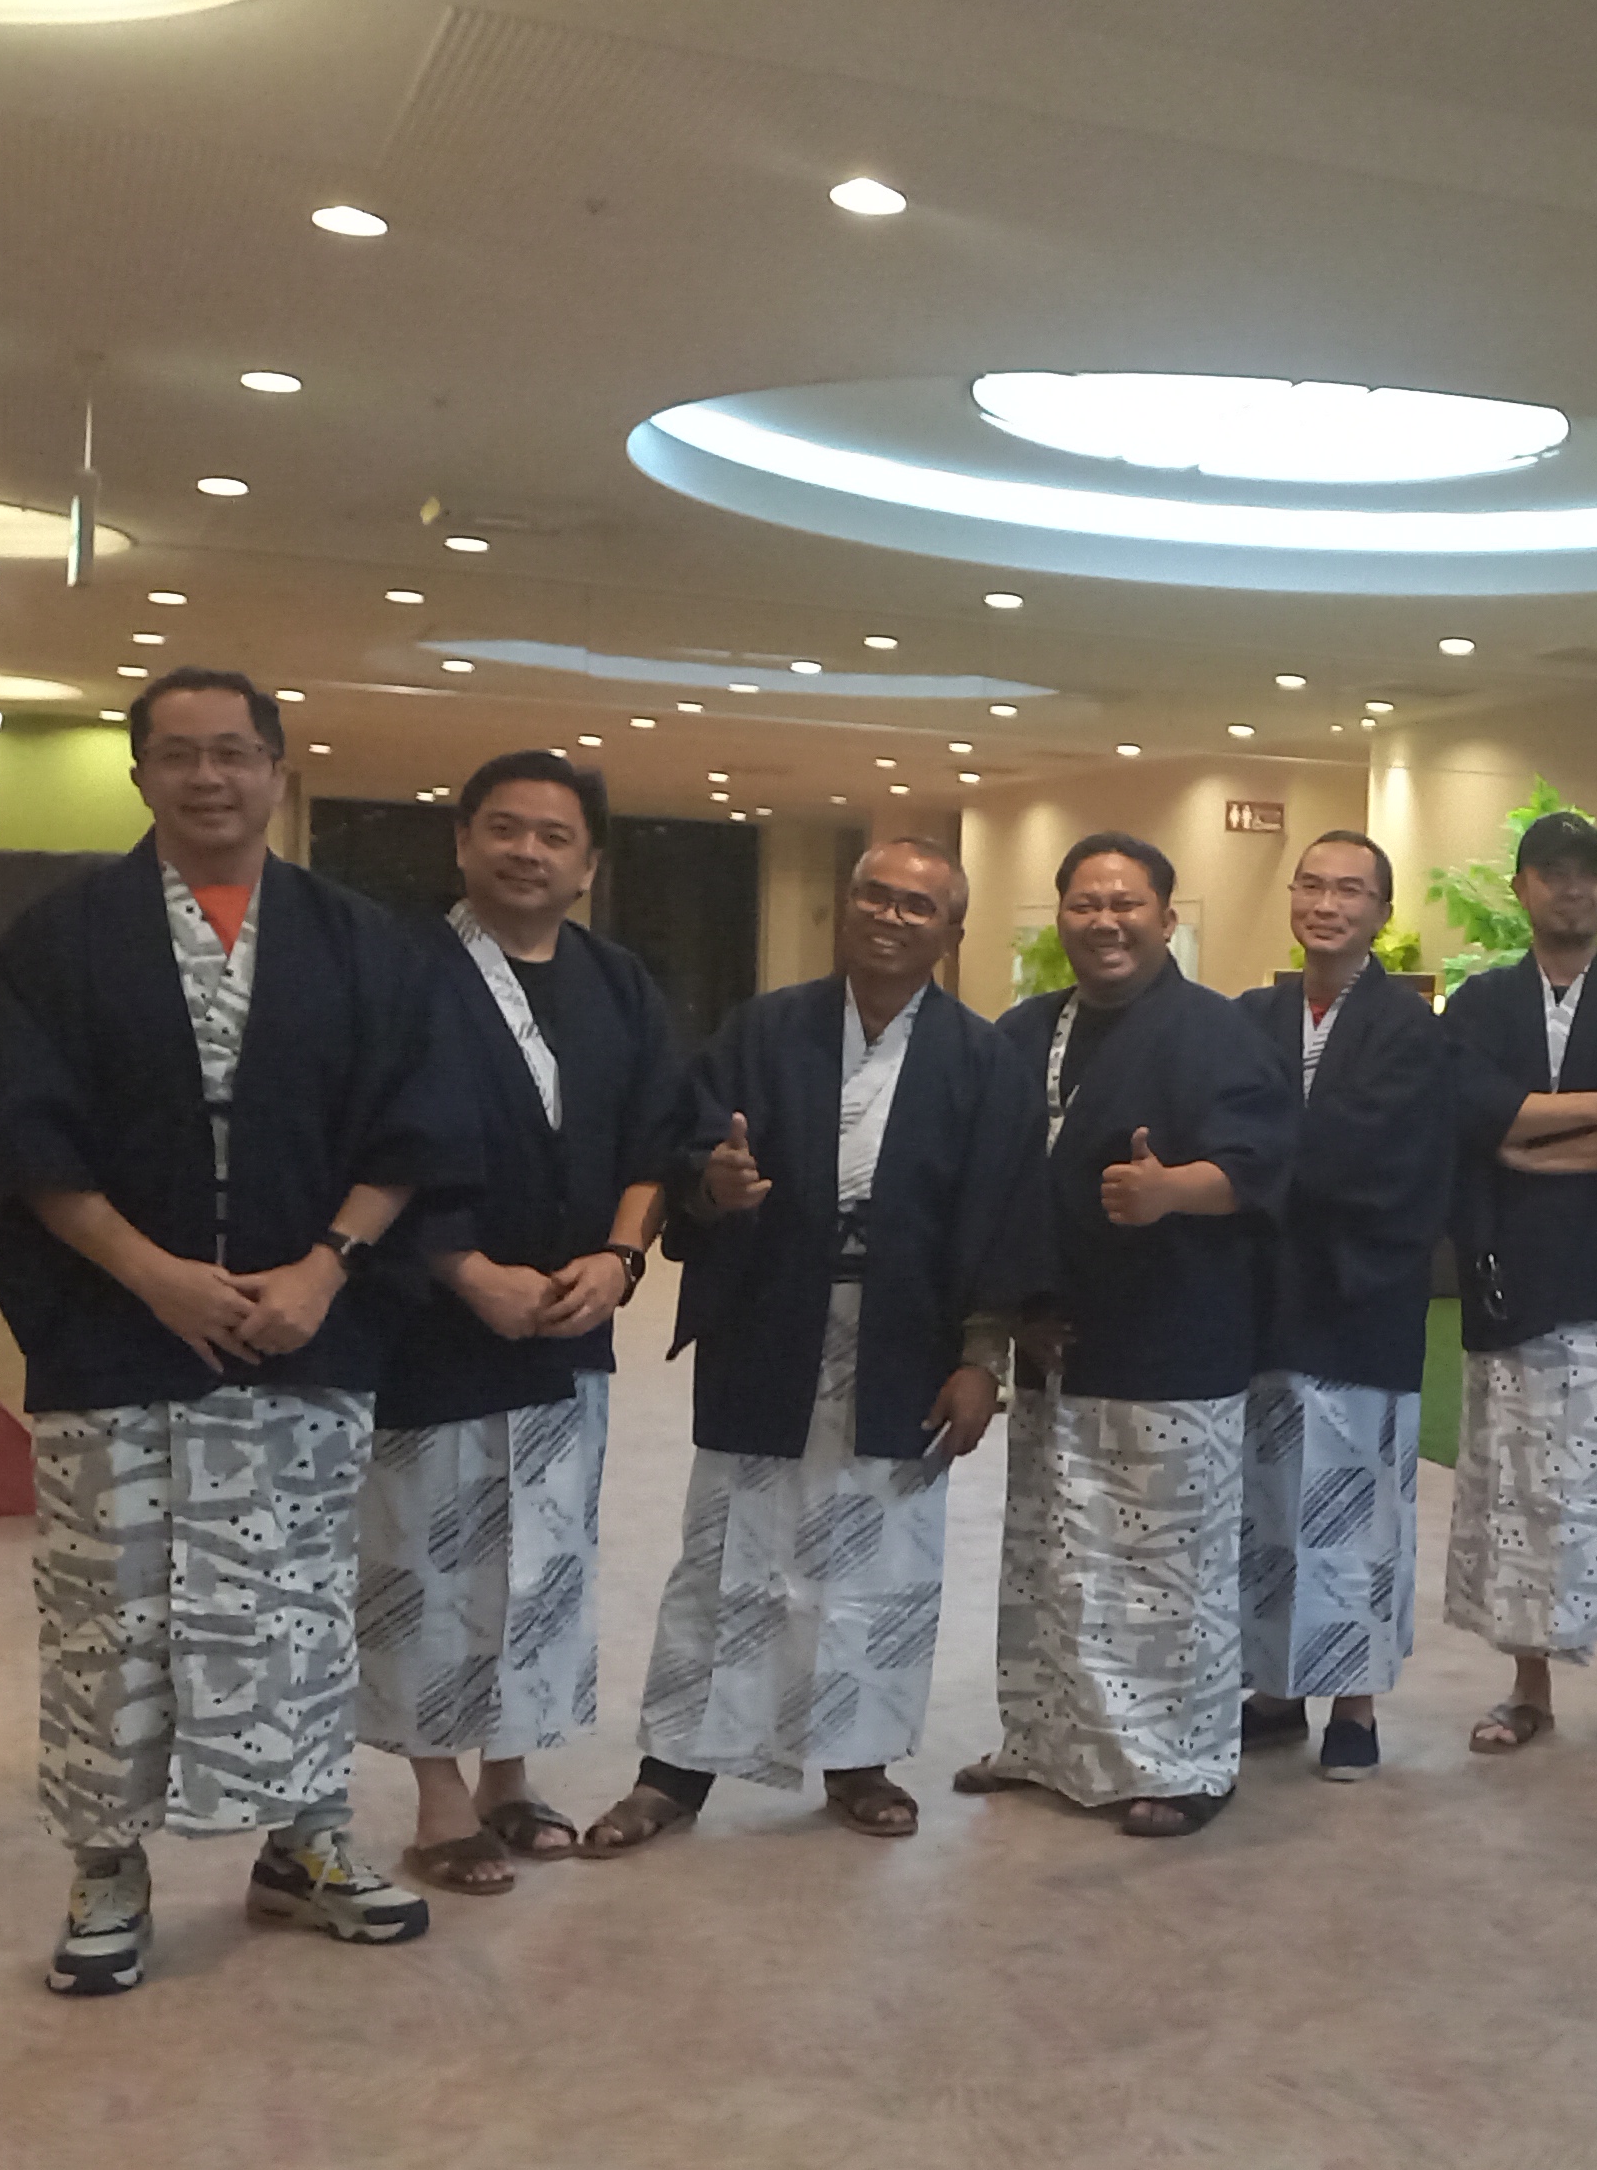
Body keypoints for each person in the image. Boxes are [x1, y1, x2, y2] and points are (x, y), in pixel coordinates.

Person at [0, 666, 441, 1996]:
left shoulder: (360, 941)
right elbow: (8, 1130)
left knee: (297, 1600)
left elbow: (419, 1125)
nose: (207, 778)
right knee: (108, 1610)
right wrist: (152, 1274)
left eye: (232, 752)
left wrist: (326, 1271)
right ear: (140, 774)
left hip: (303, 1327)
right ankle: (106, 1862)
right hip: (115, 1329)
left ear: (277, 768)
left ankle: (306, 1842)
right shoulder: (63, 939)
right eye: (177, 754)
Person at [577, 837, 1036, 1858]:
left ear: (953, 933)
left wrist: (982, 1356)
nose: (890, 916)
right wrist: (714, 1185)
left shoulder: (981, 1058)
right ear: (845, 904)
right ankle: (673, 1770)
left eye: (918, 906)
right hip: (770, 1317)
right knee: (728, 1552)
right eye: (875, 895)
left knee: (883, 1558)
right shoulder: (765, 1027)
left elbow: (1005, 1212)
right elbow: (692, 1146)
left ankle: (857, 1758)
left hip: (908, 1334)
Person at [356, 750, 688, 1896]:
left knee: (544, 1558)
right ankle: (438, 1797)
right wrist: (459, 1268)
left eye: (555, 837)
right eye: (504, 828)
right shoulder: (397, 968)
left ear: (588, 865)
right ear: (462, 840)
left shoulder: (618, 982)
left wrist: (621, 1257)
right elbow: (361, 1141)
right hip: (430, 1323)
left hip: (568, 1320)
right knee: (427, 1557)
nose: (527, 852)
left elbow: (659, 1136)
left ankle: (510, 1773)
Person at [968, 834, 1294, 1838]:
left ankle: (1184, 1765)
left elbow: (1262, 1163)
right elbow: (990, 1179)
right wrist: (1014, 1311)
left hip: (1174, 1342)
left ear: (1166, 918)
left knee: (1165, 1575)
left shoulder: (1218, 1032)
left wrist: (1171, 1191)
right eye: (1085, 903)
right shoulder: (1024, 1030)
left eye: (1127, 904)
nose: (1105, 921)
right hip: (1056, 1344)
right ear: (1060, 914)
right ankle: (1044, 1742)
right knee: (1053, 1559)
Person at [1439, 810, 1597, 1763]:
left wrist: (1527, 1137)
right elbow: (1466, 1113)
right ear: (1521, 889)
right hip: (1509, 1278)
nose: (1572, 887)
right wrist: (1595, 1117)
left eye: (1588, 872)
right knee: (1518, 1494)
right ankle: (1529, 1687)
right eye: (1551, 872)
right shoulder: (1479, 1005)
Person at [1233, 832, 1457, 1780]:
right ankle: (1275, 1690)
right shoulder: (1252, 1014)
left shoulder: (1412, 1029)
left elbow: (1381, 1155)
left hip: (1360, 1299)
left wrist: (1255, 1172)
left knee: (1355, 1513)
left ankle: (1354, 1705)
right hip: (1262, 1300)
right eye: (1313, 886)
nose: (1328, 905)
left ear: (1381, 912)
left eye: (1351, 891)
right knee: (1266, 1507)